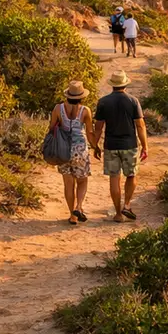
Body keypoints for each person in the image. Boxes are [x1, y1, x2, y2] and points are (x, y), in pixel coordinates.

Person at [92, 70, 147, 224]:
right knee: (131, 175)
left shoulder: (103, 102)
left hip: (110, 145)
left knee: (114, 179)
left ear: (112, 85)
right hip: (129, 145)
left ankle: (118, 213)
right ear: (125, 84)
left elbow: (98, 128)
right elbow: (140, 126)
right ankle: (127, 205)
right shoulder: (133, 101)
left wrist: (95, 146)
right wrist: (145, 146)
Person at [51, 80, 93, 225]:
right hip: (79, 149)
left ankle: (72, 216)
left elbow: (51, 128)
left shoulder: (58, 108)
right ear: (81, 96)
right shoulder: (85, 110)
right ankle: (79, 207)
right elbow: (89, 131)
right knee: (82, 181)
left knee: (68, 184)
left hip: (63, 149)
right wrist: (96, 146)